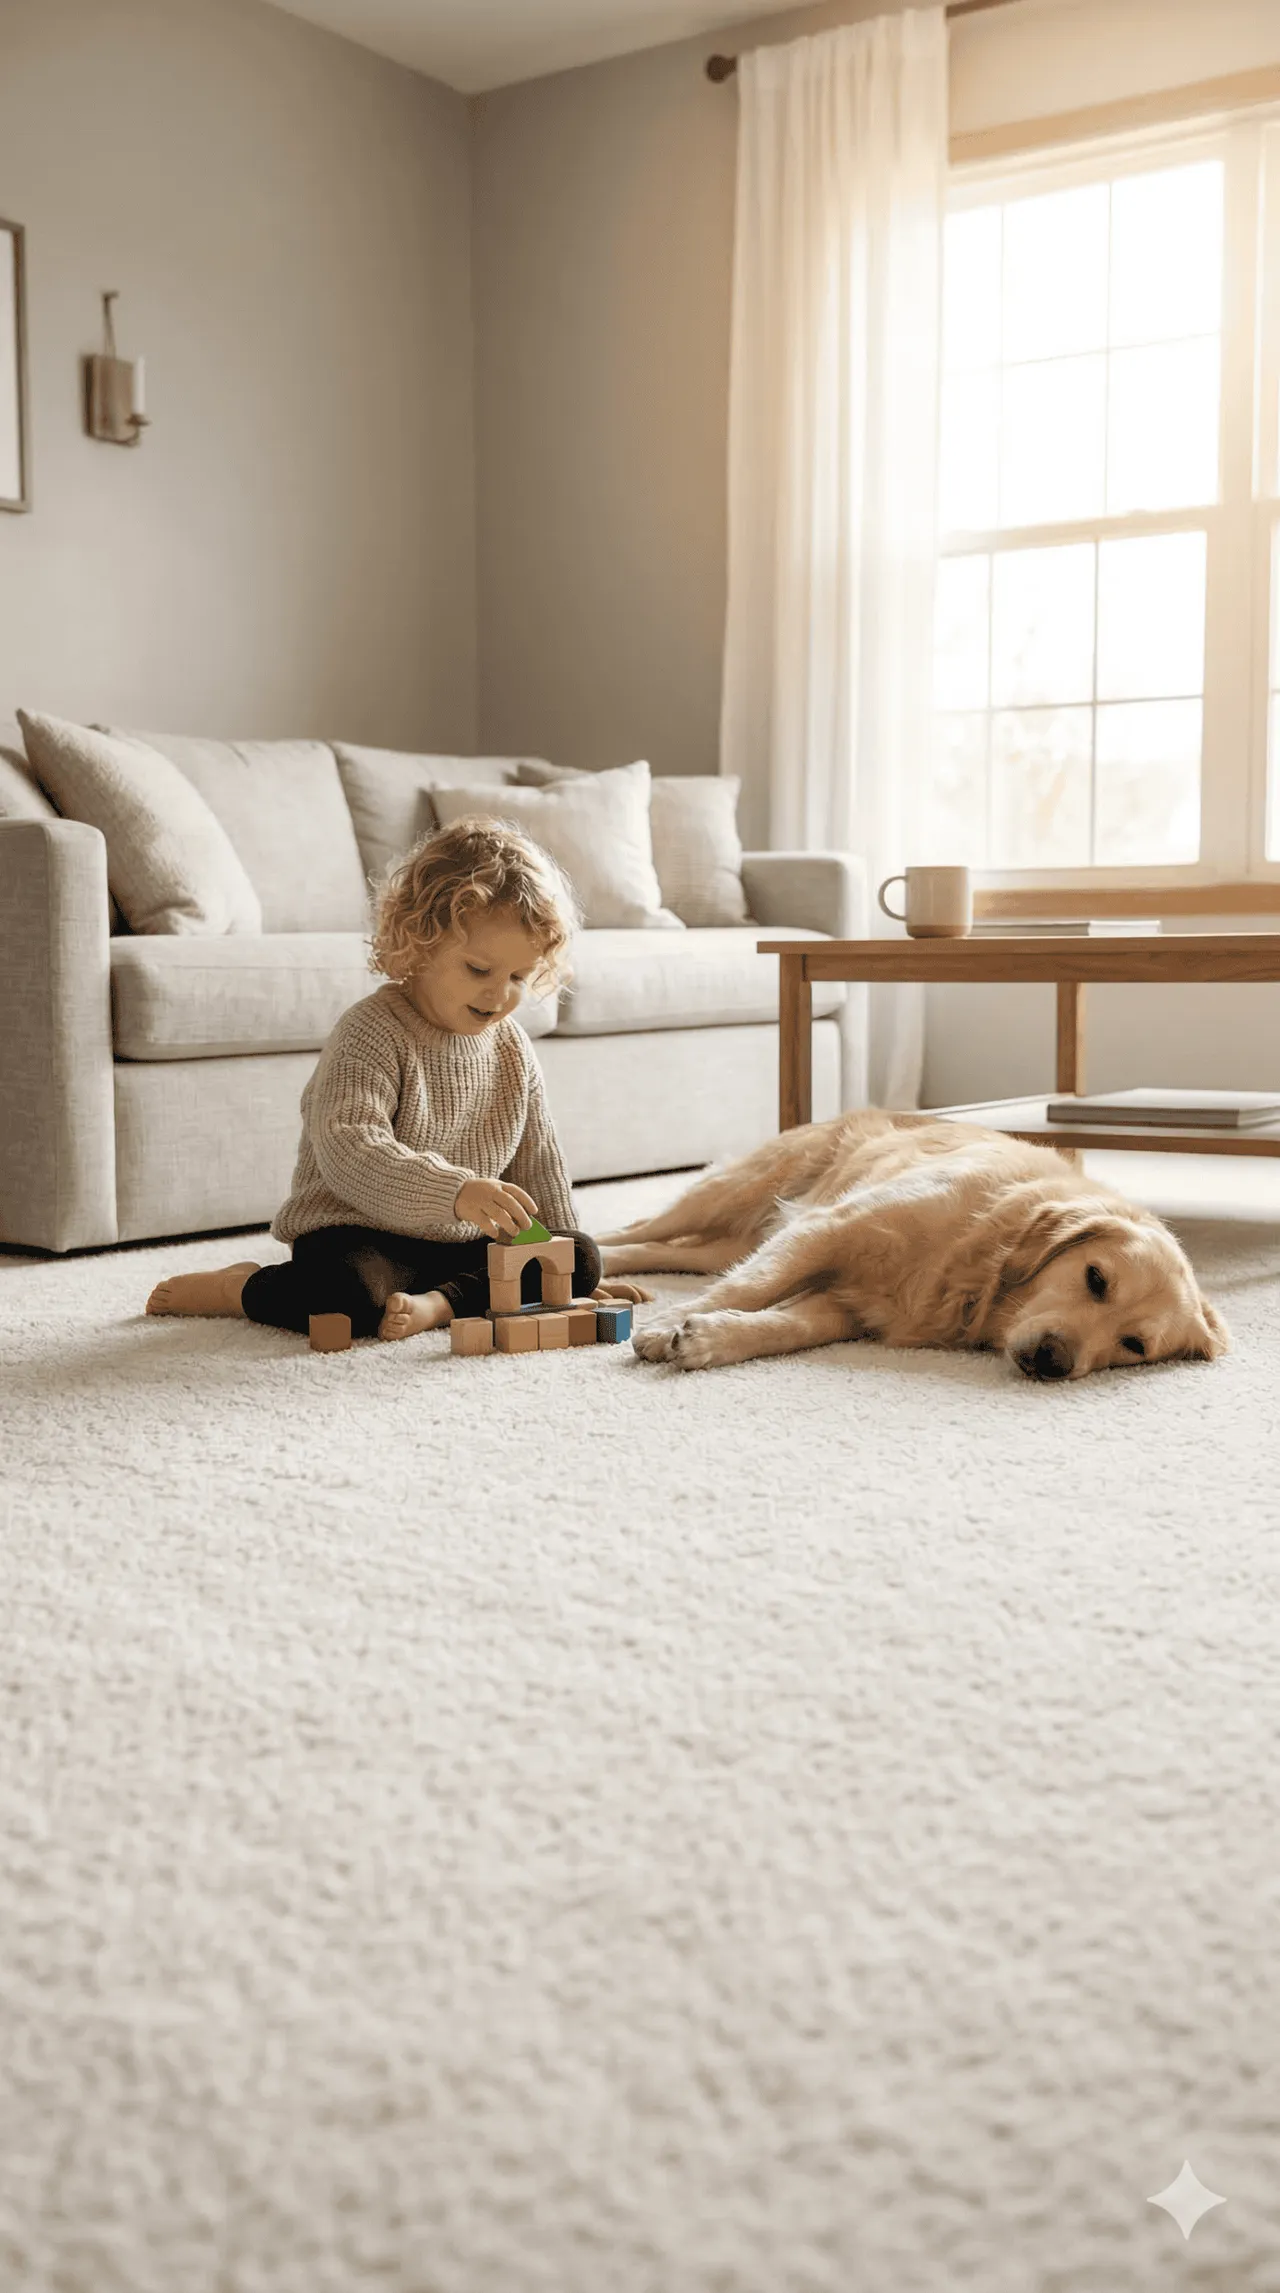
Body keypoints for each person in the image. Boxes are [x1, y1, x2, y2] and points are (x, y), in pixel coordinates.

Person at [145, 817, 644, 1341]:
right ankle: (241, 1287)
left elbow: (538, 1162)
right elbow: (350, 1148)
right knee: (348, 1296)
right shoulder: (371, 1030)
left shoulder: (512, 1048)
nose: (499, 995)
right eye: (479, 970)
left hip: (462, 1244)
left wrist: (564, 1273)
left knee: (583, 1254)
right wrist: (455, 1192)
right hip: (362, 1234)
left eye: (518, 977)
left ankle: (442, 1304)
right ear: (420, 943)